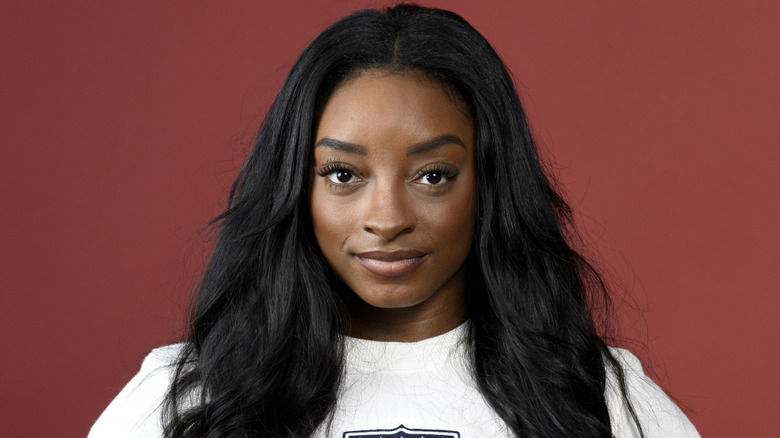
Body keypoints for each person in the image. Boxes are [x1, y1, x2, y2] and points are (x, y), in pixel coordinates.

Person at [90, 4, 699, 437]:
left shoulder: (597, 401)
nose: (386, 219)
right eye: (343, 174)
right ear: (295, 186)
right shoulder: (186, 400)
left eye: (432, 175)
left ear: (490, 184)